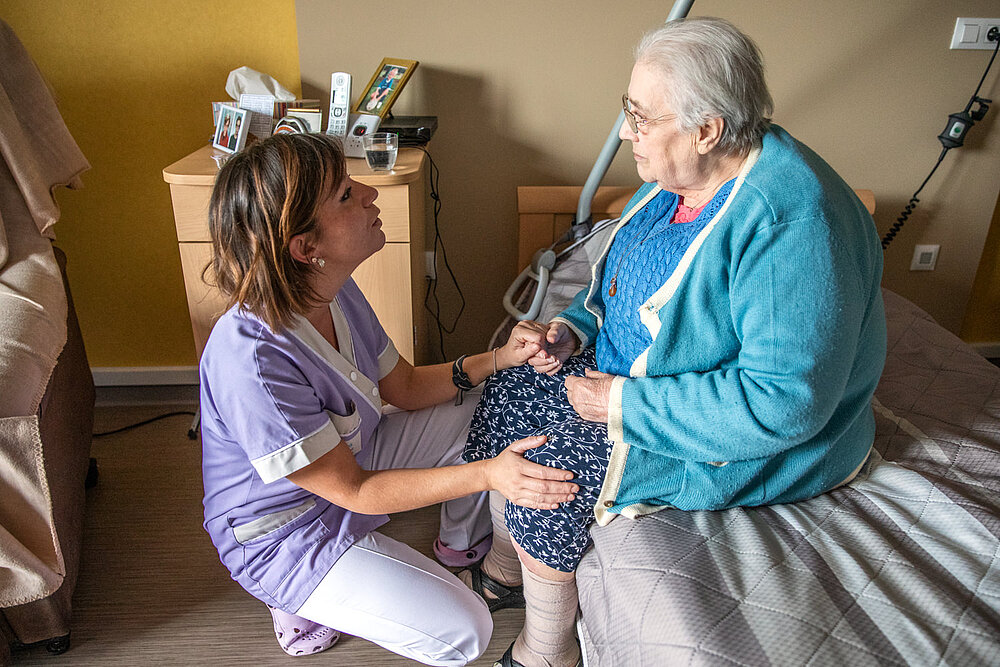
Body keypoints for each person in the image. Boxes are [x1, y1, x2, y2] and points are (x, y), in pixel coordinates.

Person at [462, 17, 886, 667]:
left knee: (551, 463)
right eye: (626, 109)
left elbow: (783, 405)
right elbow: (623, 280)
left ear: (708, 127)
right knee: (509, 383)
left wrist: (622, 405)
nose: (627, 131)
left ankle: (548, 648)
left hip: (739, 431)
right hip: (628, 372)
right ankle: (506, 562)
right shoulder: (681, 173)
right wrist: (571, 328)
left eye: (640, 115)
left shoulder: (790, 230)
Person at [198, 132, 579, 666]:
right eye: (346, 195)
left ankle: (459, 549)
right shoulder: (252, 360)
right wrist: (491, 474)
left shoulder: (331, 291)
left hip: (352, 461)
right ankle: (291, 596)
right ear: (307, 248)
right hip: (284, 534)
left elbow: (403, 388)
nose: (369, 193)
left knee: (497, 403)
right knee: (466, 630)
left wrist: (497, 360)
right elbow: (354, 491)